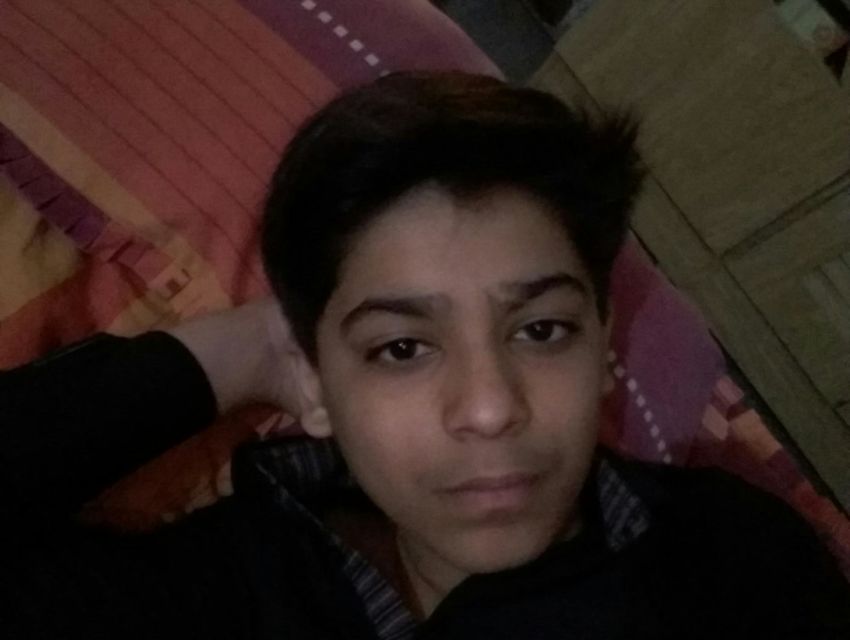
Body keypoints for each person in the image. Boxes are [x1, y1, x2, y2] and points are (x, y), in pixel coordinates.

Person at [1, 71, 847, 640]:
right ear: (313, 375)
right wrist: (242, 348)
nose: (490, 407)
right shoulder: (210, 595)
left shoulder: (730, 555)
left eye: (541, 330)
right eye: (401, 347)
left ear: (601, 341)